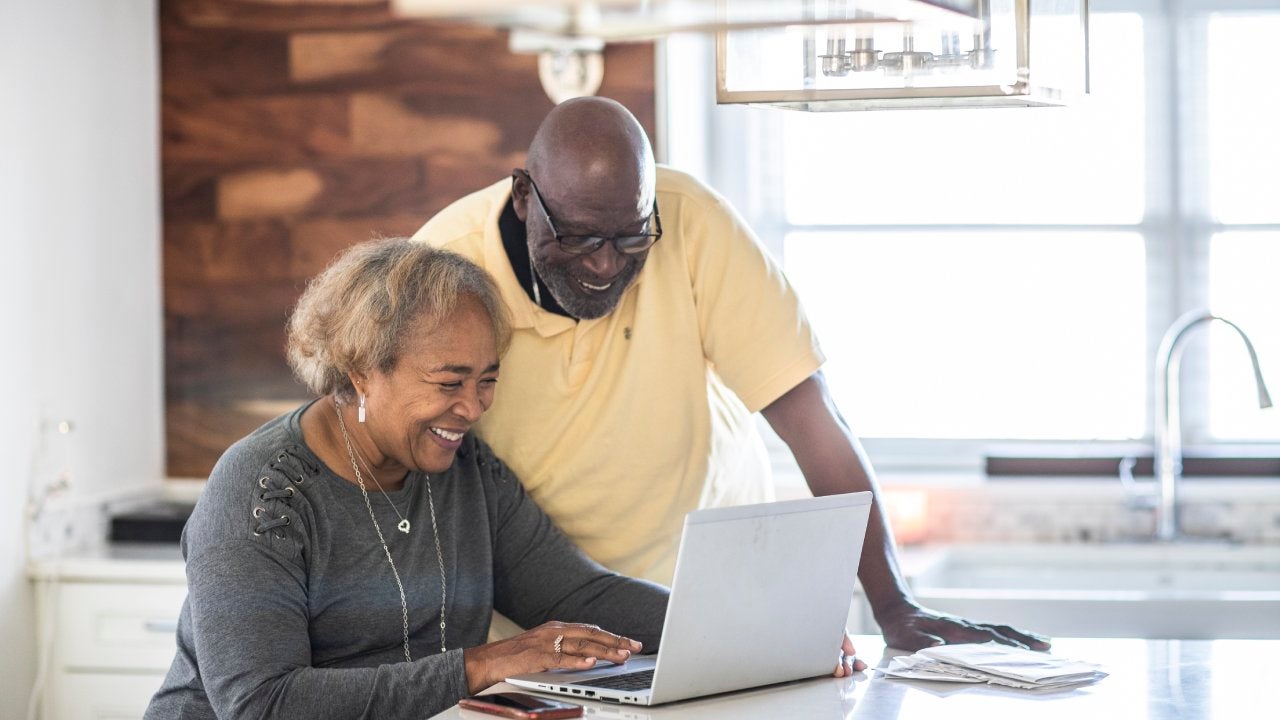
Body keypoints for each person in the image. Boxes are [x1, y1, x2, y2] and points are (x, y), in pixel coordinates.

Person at [411, 97, 1050, 653]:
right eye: (578, 238)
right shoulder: (445, 269)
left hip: (709, 592)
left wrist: (893, 605)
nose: (605, 266)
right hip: (532, 628)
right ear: (525, 196)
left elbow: (810, 419)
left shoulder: (693, 223)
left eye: (632, 237)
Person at [145, 240, 668, 719]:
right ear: (362, 370)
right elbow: (263, 704)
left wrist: (727, 618)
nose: (472, 407)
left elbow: (580, 594)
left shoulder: (470, 473)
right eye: (449, 382)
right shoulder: (260, 490)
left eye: (487, 380)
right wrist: (480, 666)